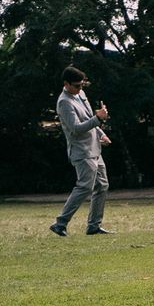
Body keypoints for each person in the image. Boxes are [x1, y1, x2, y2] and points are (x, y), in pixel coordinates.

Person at [50, 65, 111, 237]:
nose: (80, 89)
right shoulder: (64, 102)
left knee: (102, 185)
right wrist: (98, 118)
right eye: (76, 86)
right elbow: (76, 128)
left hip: (94, 148)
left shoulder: (81, 95)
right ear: (66, 84)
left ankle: (94, 226)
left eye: (82, 85)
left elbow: (88, 118)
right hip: (81, 151)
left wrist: (101, 133)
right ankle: (60, 223)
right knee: (85, 187)